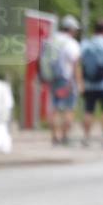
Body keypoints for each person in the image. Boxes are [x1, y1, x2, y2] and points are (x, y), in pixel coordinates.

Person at [40, 14, 82, 146]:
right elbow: (75, 64)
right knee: (68, 109)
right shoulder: (71, 43)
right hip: (66, 80)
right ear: (71, 29)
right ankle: (64, 137)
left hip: (52, 79)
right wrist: (78, 83)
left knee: (54, 108)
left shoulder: (51, 40)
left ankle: (54, 137)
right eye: (75, 29)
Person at [80, 19, 103, 147]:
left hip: (89, 84)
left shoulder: (86, 44)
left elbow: (79, 61)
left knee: (88, 111)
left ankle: (86, 138)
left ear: (94, 29)